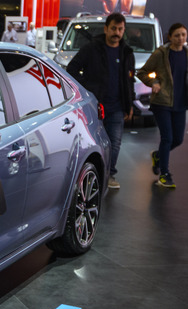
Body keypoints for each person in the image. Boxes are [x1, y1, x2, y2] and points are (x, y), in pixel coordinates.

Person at [67, 13, 135, 189]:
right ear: (106, 29)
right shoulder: (91, 49)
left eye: (120, 29)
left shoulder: (127, 53)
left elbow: (129, 80)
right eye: (113, 28)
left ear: (123, 31)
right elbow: (72, 69)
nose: (116, 32)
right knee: (93, 142)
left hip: (118, 106)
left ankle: (109, 174)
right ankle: (91, 175)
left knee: (115, 143)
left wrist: (130, 104)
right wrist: (86, 89)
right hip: (95, 106)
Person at [136, 23, 188, 188]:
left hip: (181, 102)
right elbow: (142, 72)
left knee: (178, 139)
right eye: (177, 35)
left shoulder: (187, 54)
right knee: (167, 138)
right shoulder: (161, 54)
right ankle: (164, 174)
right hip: (162, 102)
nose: (181, 38)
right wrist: (154, 82)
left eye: (183, 35)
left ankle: (158, 156)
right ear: (170, 37)